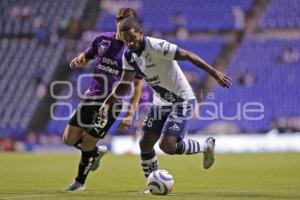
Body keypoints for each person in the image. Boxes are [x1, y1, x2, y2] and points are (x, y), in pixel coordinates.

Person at [99, 17, 232, 189]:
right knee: (145, 143)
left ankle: (206, 146)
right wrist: (107, 102)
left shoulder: (156, 46)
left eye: (133, 38)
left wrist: (214, 73)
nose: (130, 43)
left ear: (140, 33)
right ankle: (151, 184)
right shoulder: (129, 57)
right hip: (161, 102)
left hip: (182, 99)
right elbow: (125, 84)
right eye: (126, 40)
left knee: (167, 146)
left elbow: (188, 55)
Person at [63, 8, 143, 191]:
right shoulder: (102, 40)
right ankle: (95, 153)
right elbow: (87, 56)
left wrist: (130, 113)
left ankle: (79, 182)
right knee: (68, 139)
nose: (126, 29)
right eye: (123, 23)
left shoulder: (133, 51)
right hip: (90, 97)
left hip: (112, 104)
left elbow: (137, 85)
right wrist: (79, 60)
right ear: (117, 21)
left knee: (87, 143)